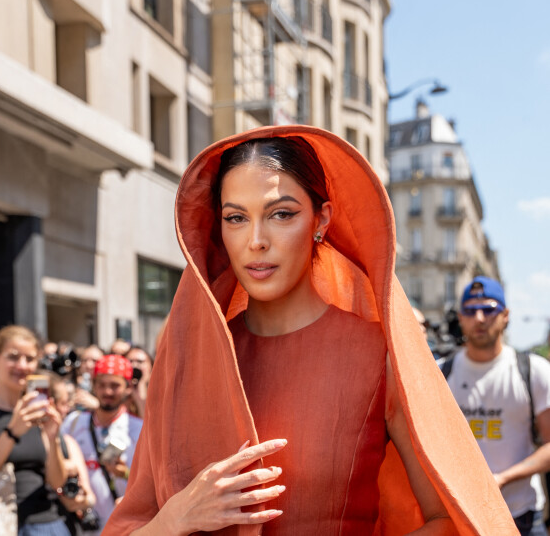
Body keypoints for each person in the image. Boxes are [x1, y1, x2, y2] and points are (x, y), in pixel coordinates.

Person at [104, 126, 516, 535]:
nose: (257, 240)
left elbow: (452, 520)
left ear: (321, 220)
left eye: (281, 214)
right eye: (235, 218)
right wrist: (176, 519)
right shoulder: (186, 365)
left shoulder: (377, 355)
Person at [444, 276, 550, 535]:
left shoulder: (534, 371)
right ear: (460, 317)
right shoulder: (439, 374)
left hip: (521, 515)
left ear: (505, 315)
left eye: (489, 309)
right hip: (458, 516)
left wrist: (502, 478)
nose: (479, 318)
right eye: (470, 310)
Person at [0, 325, 69, 535]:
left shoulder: (39, 411)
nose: (22, 366)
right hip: (1, 526)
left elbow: (57, 482)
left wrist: (54, 439)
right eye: (13, 357)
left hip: (48, 524)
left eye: (30, 359)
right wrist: (13, 432)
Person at [62, 355, 143, 533]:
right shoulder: (73, 422)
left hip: (124, 528)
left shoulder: (139, 429)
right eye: (101, 384)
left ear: (128, 387)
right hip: (80, 526)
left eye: (114, 385)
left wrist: (126, 474)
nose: (107, 392)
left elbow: (150, 483)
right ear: (93, 385)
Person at [49, 374, 97, 535]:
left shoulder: (68, 443)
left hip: (65, 526)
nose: (66, 409)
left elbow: (90, 498)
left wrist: (81, 499)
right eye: (63, 403)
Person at [124, 347, 153, 418]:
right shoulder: (120, 391)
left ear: (151, 366)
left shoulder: (161, 391)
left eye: (140, 362)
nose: (134, 365)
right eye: (130, 361)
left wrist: (141, 385)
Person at [73, 345, 104, 412]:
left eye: (94, 361)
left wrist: (98, 406)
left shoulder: (110, 387)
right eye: (84, 360)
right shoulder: (73, 385)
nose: (88, 365)